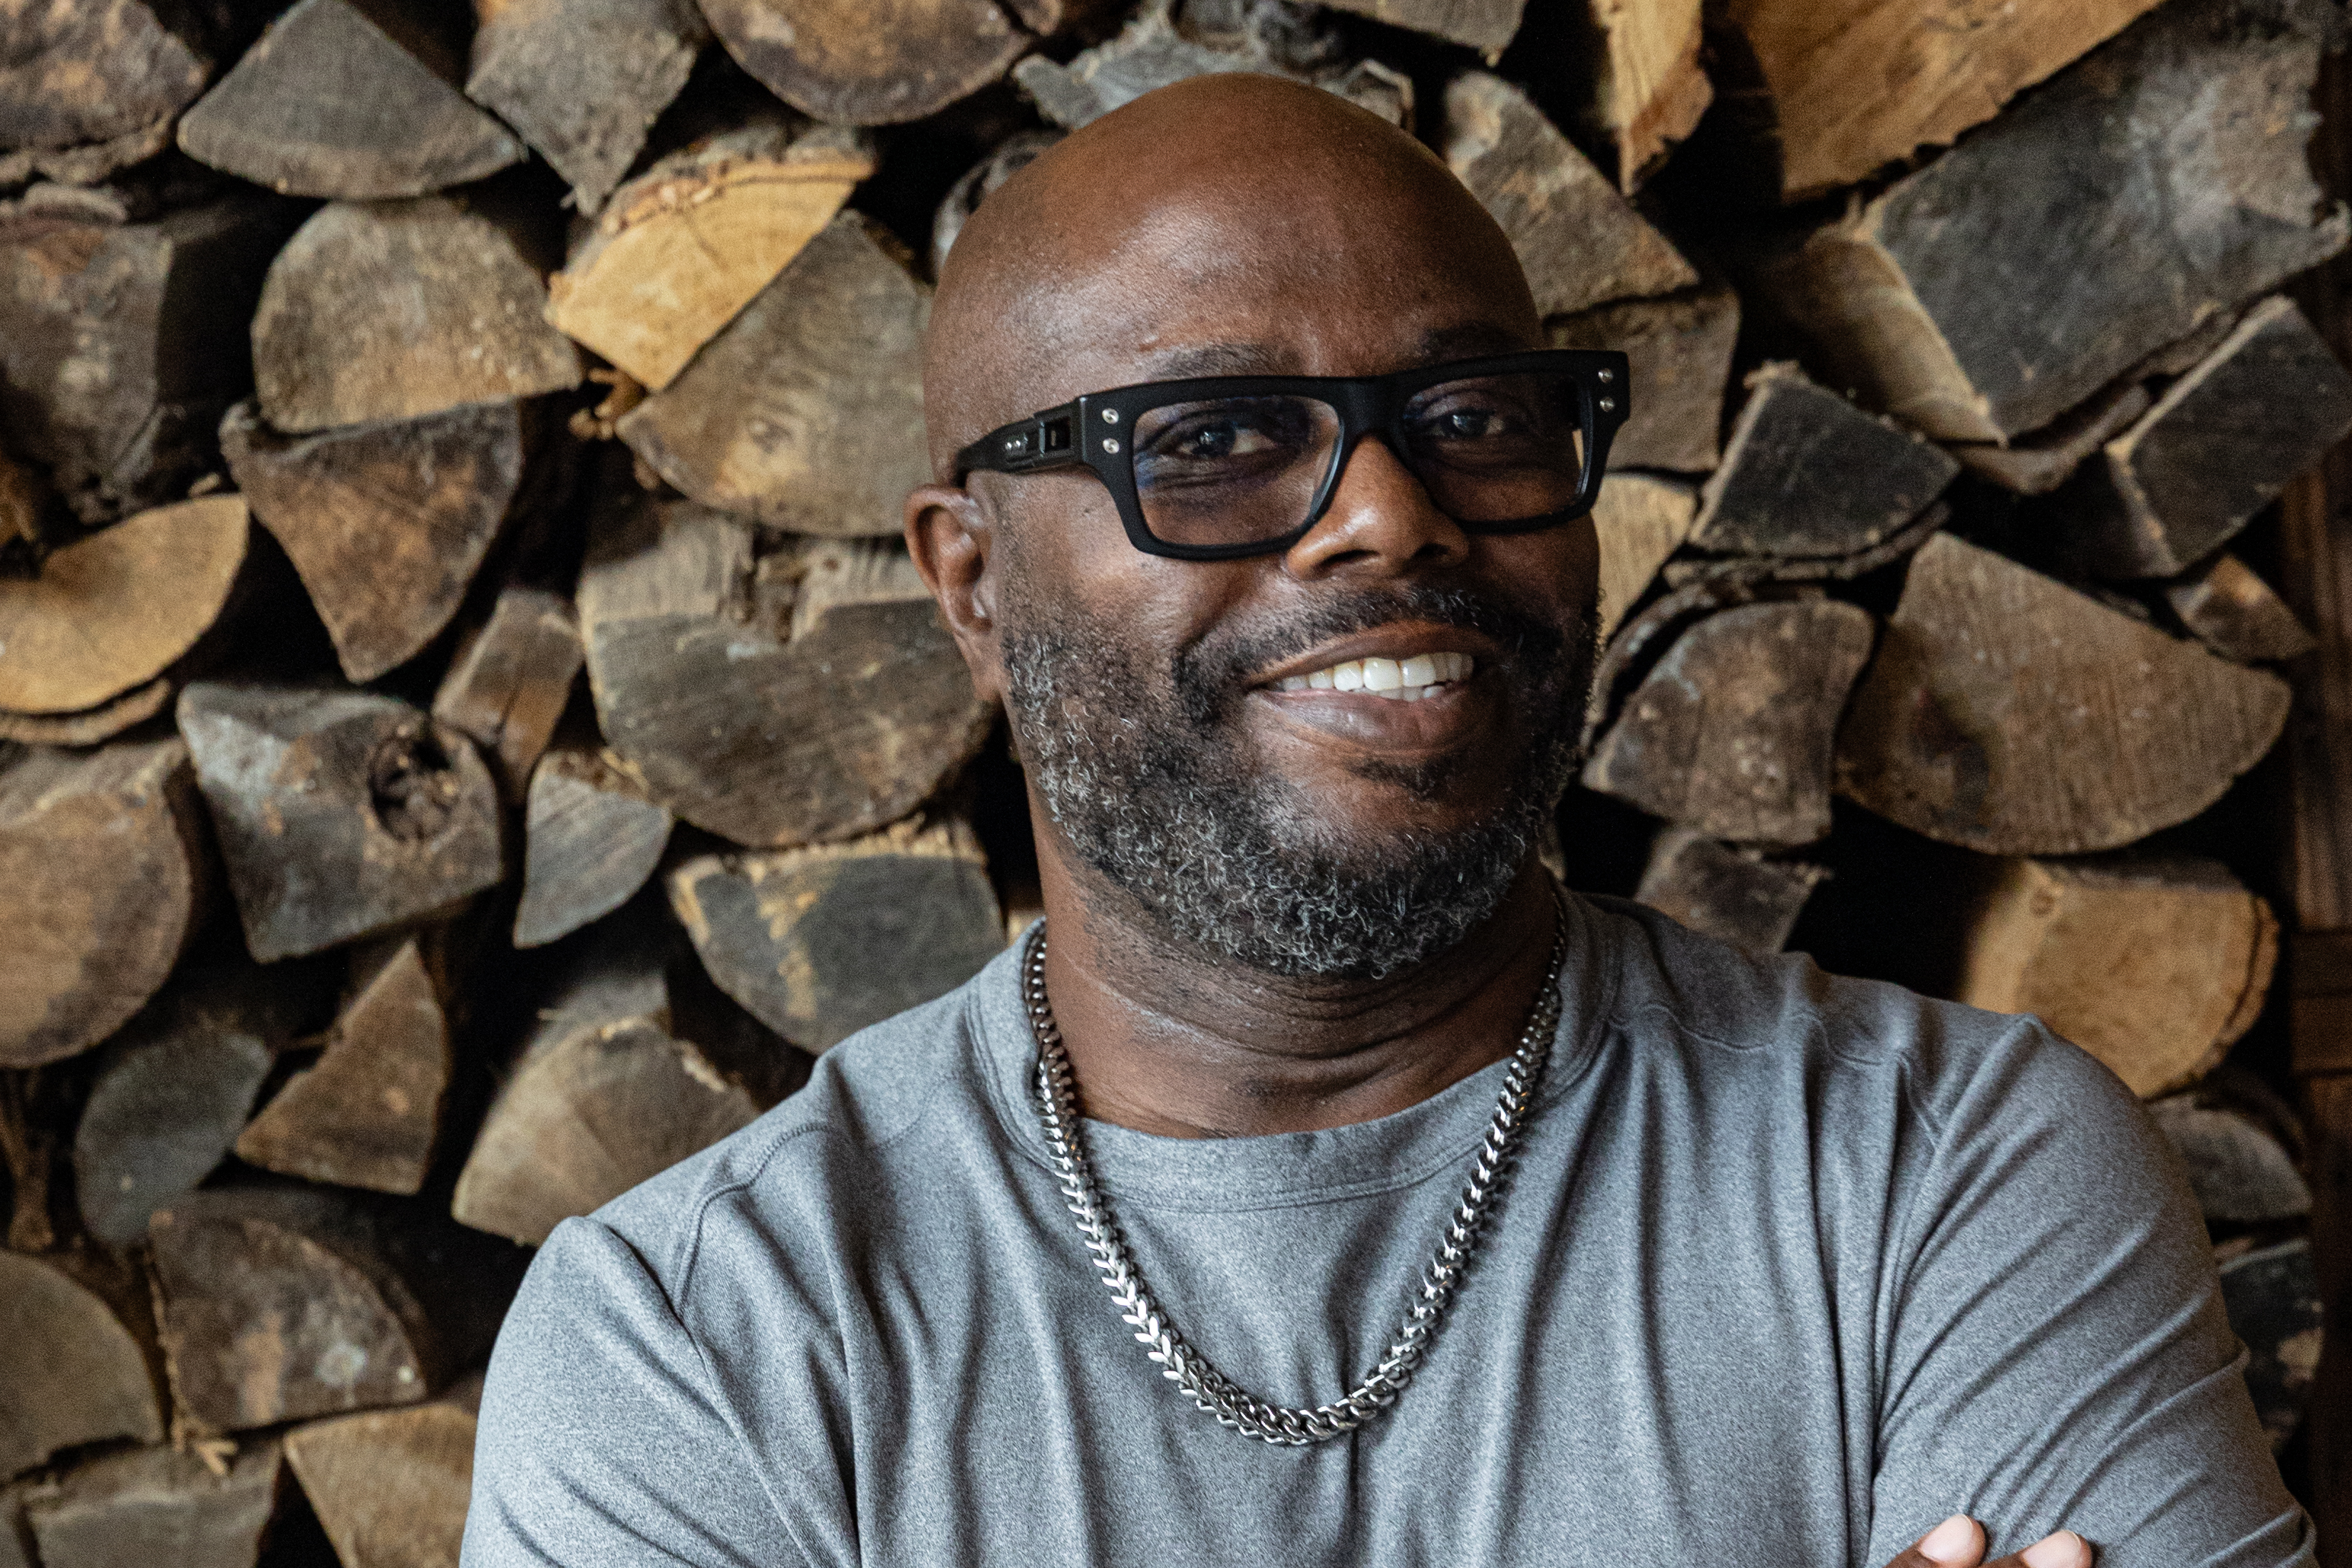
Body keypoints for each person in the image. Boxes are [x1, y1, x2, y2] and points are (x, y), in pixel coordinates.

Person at [463, 73, 2311, 1568]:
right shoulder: (702, 1346)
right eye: (1207, 439)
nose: (1387, 515)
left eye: (1472, 414)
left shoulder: (1939, 1181)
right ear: (971, 587)